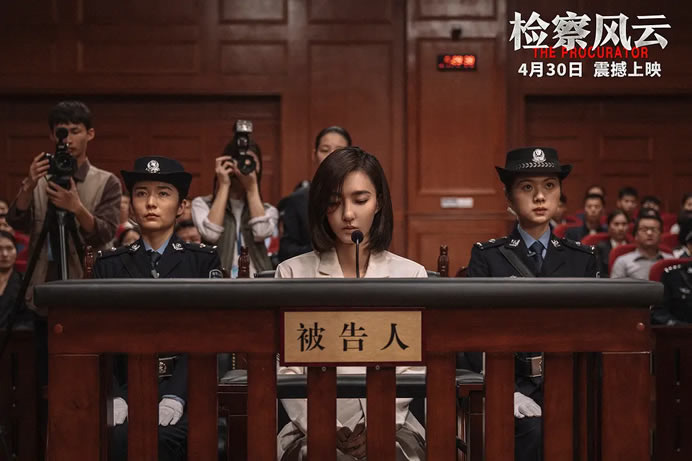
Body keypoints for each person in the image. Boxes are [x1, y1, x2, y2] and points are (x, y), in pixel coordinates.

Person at [275, 147, 426, 461]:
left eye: (360, 200)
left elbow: (413, 369)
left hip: (393, 423)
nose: (347, 214)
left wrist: (379, 424)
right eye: (334, 201)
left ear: (378, 202)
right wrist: (323, 426)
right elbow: (287, 371)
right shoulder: (291, 273)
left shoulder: (410, 274)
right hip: (309, 425)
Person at [466, 147, 598, 461]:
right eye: (527, 187)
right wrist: (503, 390)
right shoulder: (488, 257)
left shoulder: (582, 258)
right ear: (509, 198)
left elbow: (594, 334)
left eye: (549, 186)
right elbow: (471, 334)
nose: (540, 197)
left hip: (570, 382)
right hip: (509, 381)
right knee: (533, 431)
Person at [93, 156, 221, 461]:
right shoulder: (109, 265)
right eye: (141, 193)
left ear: (181, 206)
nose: (151, 203)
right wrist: (114, 395)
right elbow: (98, 340)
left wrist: (176, 394)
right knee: (117, 437)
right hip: (125, 388)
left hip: (188, 388)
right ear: (131, 207)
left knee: (168, 438)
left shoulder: (201, 262)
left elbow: (210, 336)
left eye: (163, 193)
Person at [5, 101, 121, 310]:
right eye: (62, 132)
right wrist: (28, 186)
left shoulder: (107, 182)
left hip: (87, 282)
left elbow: (105, 234)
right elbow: (17, 223)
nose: (68, 139)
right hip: (42, 278)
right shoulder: (40, 179)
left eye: (75, 131)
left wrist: (76, 208)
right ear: (52, 135)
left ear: (90, 134)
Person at [191, 137, 277, 277]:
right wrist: (224, 184)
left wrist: (252, 188)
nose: (244, 166)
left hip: (258, 282)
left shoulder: (268, 210)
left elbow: (261, 232)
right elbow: (211, 235)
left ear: (259, 167)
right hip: (217, 281)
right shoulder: (202, 204)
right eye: (239, 160)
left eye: (250, 161)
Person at [278, 126, 352, 262]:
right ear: (314, 155)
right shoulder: (297, 200)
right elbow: (286, 251)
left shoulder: (357, 198)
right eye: (325, 150)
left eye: (339, 150)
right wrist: (324, 249)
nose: (331, 156)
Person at [611, 209, 673, 280]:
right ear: (636, 235)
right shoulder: (623, 262)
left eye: (654, 230)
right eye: (644, 229)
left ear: (661, 235)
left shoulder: (671, 261)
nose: (649, 233)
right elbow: (615, 287)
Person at [0, 230, 34, 328]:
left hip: (15, 335)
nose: (5, 254)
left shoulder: (24, 283)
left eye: (9, 248)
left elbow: (29, 320)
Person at [595, 209, 630, 277]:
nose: (620, 228)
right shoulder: (600, 248)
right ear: (608, 226)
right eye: (616, 224)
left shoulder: (633, 248)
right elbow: (599, 274)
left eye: (624, 224)